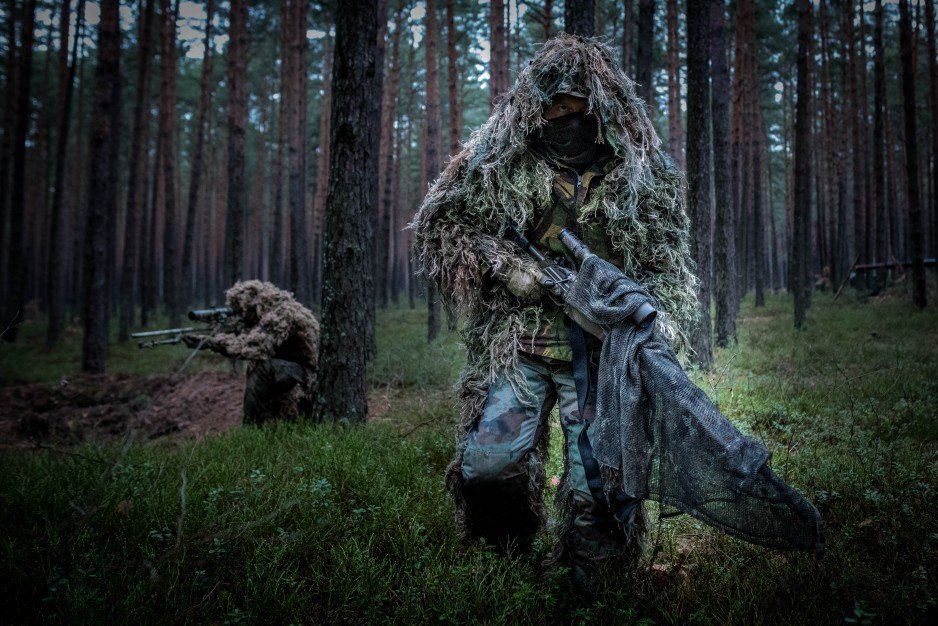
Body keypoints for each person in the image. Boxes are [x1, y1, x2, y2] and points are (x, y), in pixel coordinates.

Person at [411, 35, 701, 585]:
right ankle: (506, 565)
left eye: (571, 108)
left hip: (600, 354)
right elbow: (440, 225)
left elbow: (666, 263)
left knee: (597, 488)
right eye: (550, 109)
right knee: (488, 468)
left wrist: (656, 320)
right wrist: (504, 265)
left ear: (598, 109)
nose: (559, 119)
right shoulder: (500, 159)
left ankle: (587, 589)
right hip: (520, 344)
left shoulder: (642, 173)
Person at [184, 280, 320, 425]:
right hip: (295, 371)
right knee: (263, 367)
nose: (242, 316)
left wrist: (211, 342)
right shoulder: (268, 313)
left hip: (309, 375)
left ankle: (253, 428)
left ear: (253, 305)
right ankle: (269, 427)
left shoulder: (282, 313)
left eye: (243, 311)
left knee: (262, 368)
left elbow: (254, 347)